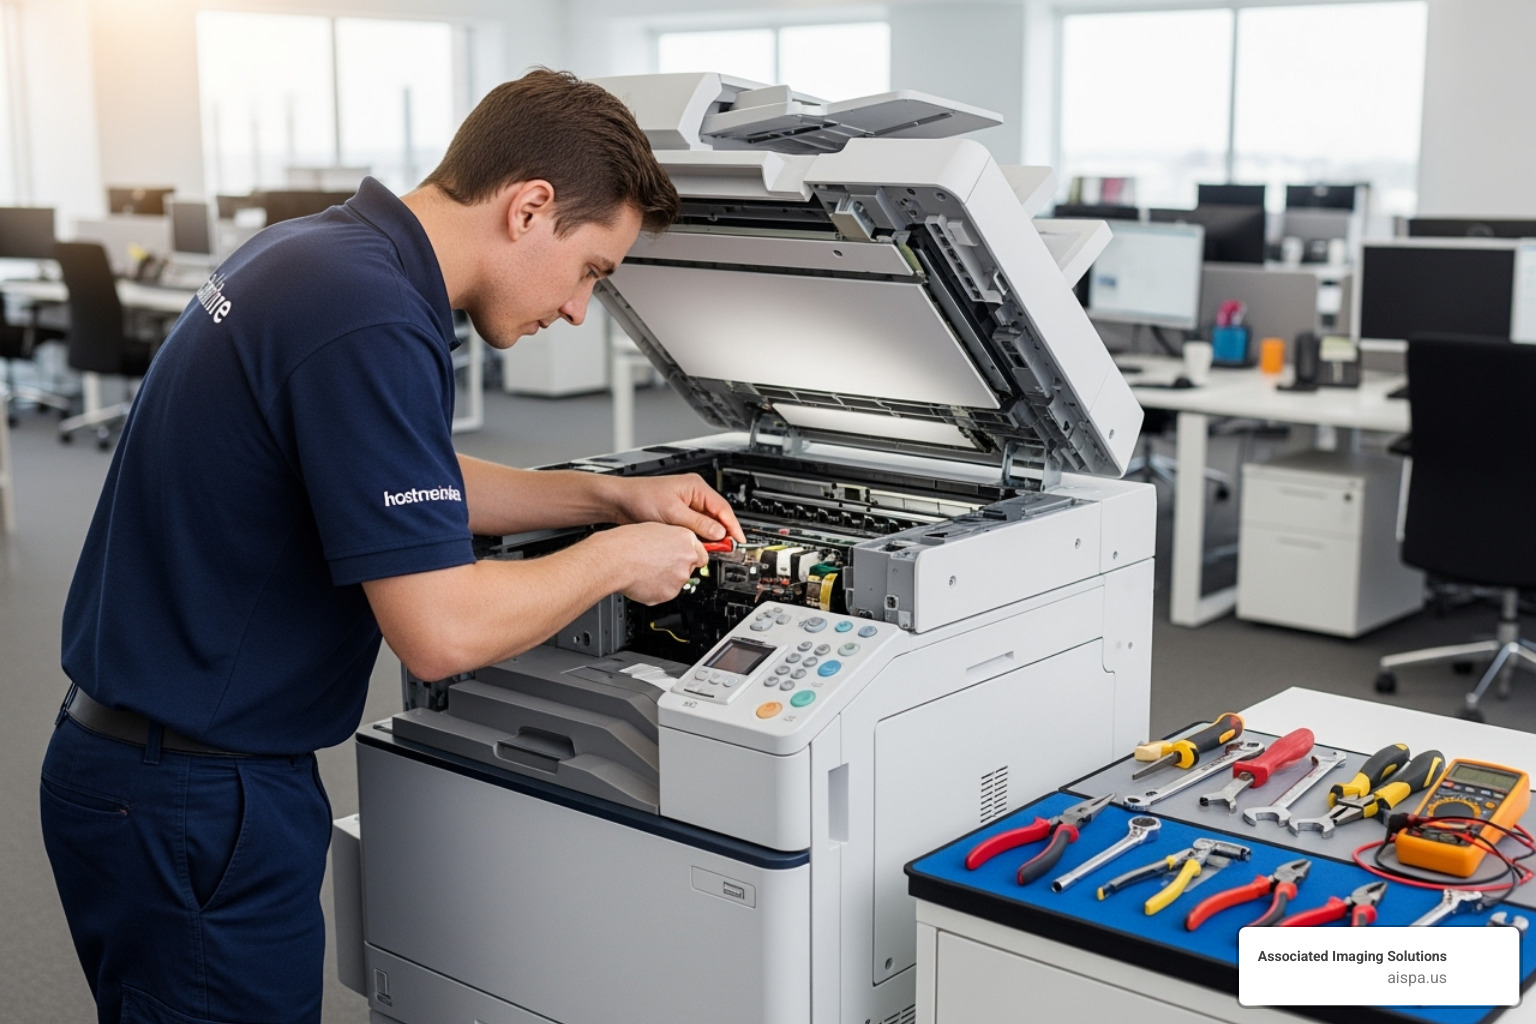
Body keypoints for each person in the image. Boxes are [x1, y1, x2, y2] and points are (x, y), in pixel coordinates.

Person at [39, 68, 743, 1024]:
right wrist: (623, 559)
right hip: (199, 802)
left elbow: (398, 477)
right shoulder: (369, 315)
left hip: (142, 766)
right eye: (592, 271)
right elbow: (439, 632)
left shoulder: (323, 255)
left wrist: (610, 495)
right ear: (531, 207)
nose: (580, 309)